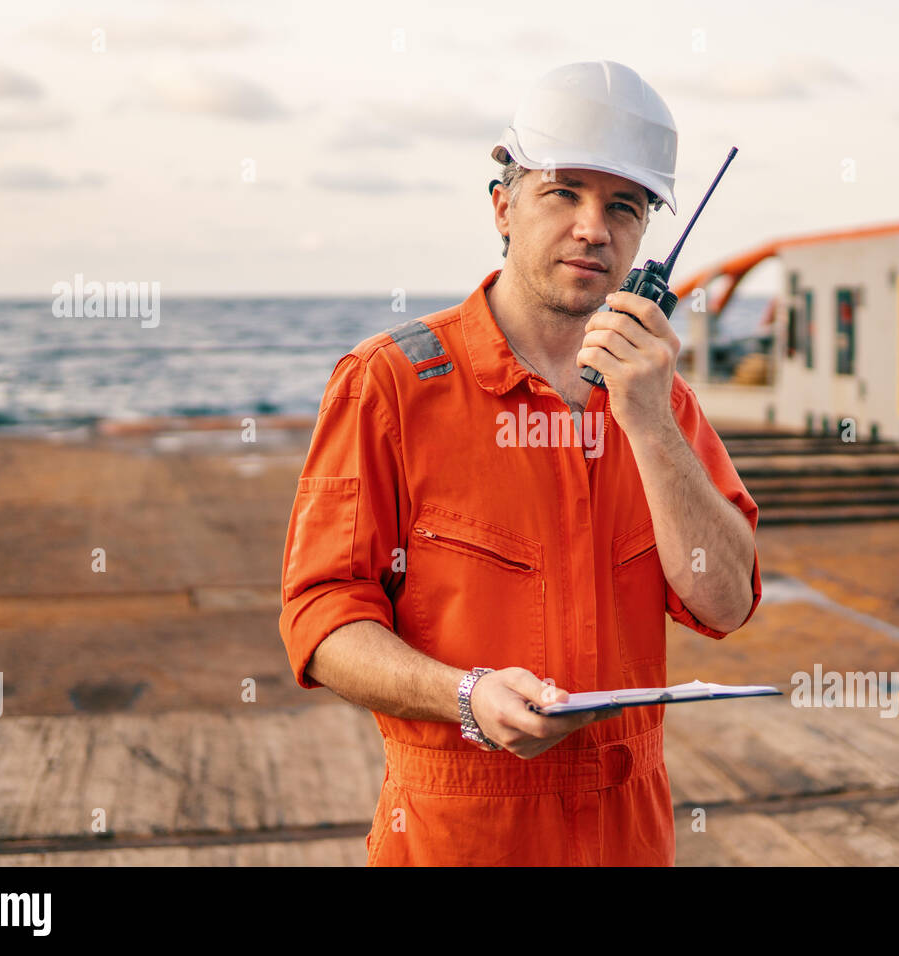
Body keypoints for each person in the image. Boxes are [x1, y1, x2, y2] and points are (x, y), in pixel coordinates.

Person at [278, 60, 763, 866]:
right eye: (563, 192)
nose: (593, 228)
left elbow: (724, 603)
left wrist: (646, 421)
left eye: (624, 206)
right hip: (457, 836)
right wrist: (464, 697)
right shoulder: (391, 385)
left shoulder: (661, 404)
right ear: (503, 206)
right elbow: (321, 619)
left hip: (629, 837)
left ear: (646, 236)